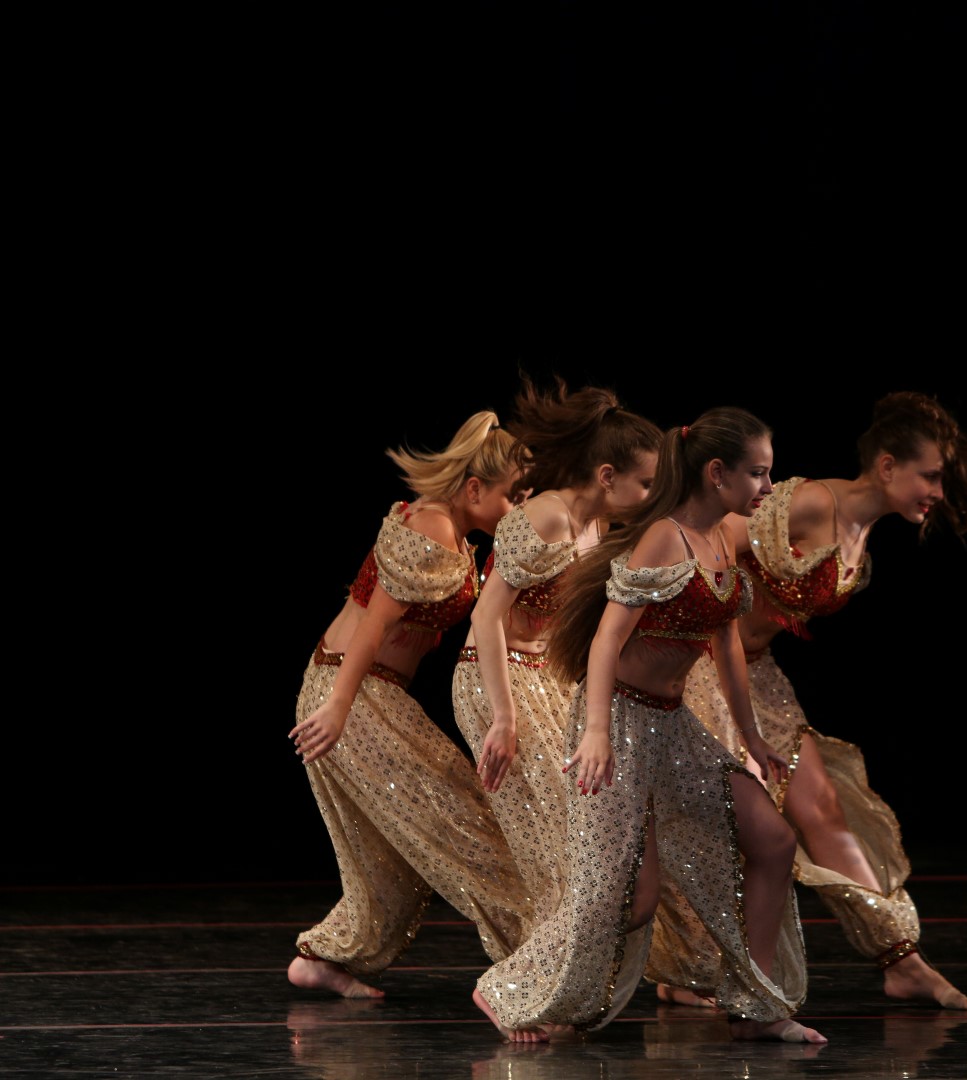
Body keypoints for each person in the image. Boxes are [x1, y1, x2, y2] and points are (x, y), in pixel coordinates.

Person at [655, 390, 967, 1012]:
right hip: (704, 670)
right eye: (930, 476)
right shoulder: (811, 502)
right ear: (887, 465)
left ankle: (901, 961)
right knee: (728, 827)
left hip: (760, 678)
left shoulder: (862, 533)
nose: (937, 492)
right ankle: (690, 971)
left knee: (822, 808)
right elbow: (705, 536)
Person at [471, 407, 826, 1045]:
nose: (768, 488)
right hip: (622, 719)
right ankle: (510, 991)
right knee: (626, 898)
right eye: (758, 473)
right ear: (716, 473)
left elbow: (728, 646)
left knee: (774, 841)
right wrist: (597, 731)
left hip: (672, 724)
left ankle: (757, 1006)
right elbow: (607, 640)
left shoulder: (723, 537)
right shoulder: (664, 538)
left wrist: (752, 736)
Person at [287, 410, 533, 1000]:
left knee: (393, 861)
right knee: (464, 824)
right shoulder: (433, 528)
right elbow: (374, 625)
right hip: (353, 693)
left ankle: (326, 959)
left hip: (365, 692)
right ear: (474, 489)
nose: (519, 508)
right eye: (512, 496)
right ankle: (534, 960)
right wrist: (338, 707)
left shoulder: (452, 530)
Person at [451, 376, 661, 942]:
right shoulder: (545, 515)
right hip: (496, 677)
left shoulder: (598, 525)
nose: (652, 496)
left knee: (593, 831)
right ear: (607, 476)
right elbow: (485, 617)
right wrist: (503, 719)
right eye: (646, 484)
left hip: (550, 678)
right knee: (554, 834)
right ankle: (532, 971)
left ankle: (561, 966)